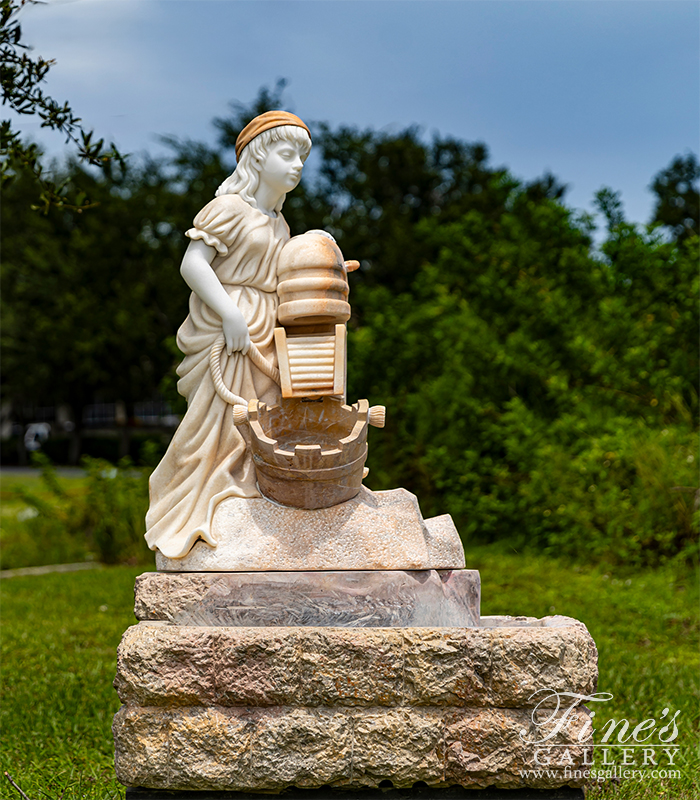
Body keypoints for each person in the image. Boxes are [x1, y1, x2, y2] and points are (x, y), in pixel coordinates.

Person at [145, 111, 312, 558]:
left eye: (303, 157)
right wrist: (230, 314)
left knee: (266, 416)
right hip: (229, 329)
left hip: (266, 330)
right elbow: (193, 264)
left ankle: (254, 492)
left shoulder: (279, 224)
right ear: (258, 157)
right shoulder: (228, 209)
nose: (297, 164)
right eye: (287, 153)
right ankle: (195, 504)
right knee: (218, 423)